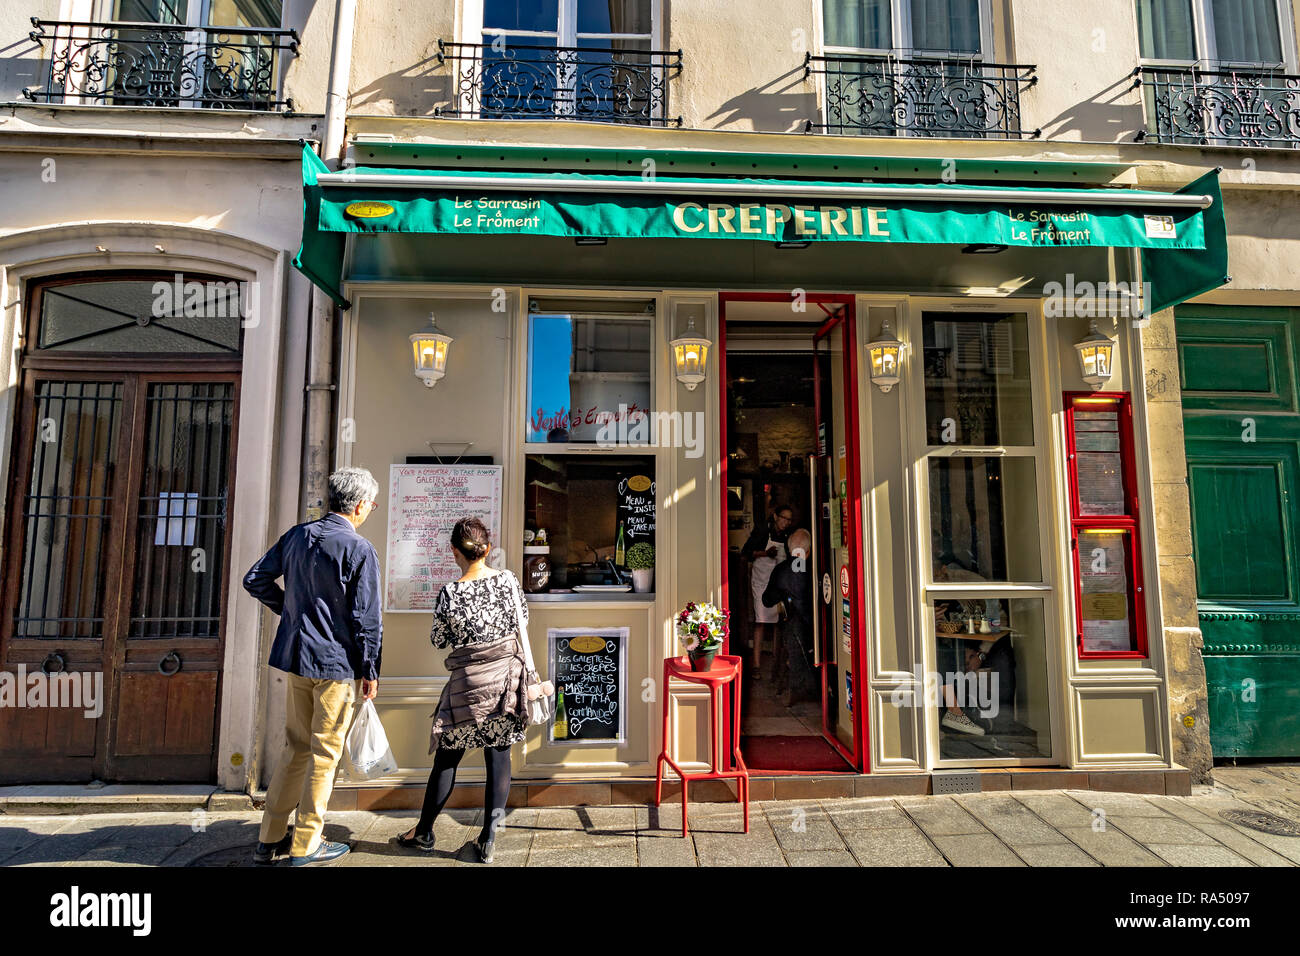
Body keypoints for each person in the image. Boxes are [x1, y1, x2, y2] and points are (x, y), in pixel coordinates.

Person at [244, 466, 382, 866]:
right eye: (371, 504)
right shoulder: (359, 549)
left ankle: (269, 836)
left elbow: (256, 579)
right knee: (325, 754)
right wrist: (370, 669)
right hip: (336, 664)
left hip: (297, 658)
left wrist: (289, 612)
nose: (370, 510)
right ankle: (307, 843)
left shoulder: (297, 536)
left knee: (297, 748)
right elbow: (366, 618)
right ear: (358, 505)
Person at [397, 517, 530, 863]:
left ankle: (424, 831)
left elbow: (440, 640)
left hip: (468, 689)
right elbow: (522, 622)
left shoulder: (450, 593)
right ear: (488, 549)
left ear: (454, 552)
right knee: (499, 758)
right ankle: (488, 838)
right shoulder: (510, 582)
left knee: (447, 759)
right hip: (505, 684)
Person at [761, 528, 818, 705]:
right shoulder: (816, 569)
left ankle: (788, 683)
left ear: (788, 548)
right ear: (808, 552)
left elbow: (767, 600)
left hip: (792, 631)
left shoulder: (781, 570)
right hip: (816, 631)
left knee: (789, 631)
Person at [740, 504, 795, 677]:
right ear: (775, 516)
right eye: (784, 518)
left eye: (789, 519)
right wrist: (765, 553)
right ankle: (756, 665)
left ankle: (776, 661)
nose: (786, 522)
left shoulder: (788, 536)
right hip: (762, 582)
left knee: (779, 621)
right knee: (761, 620)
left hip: (779, 583)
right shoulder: (763, 531)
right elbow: (746, 553)